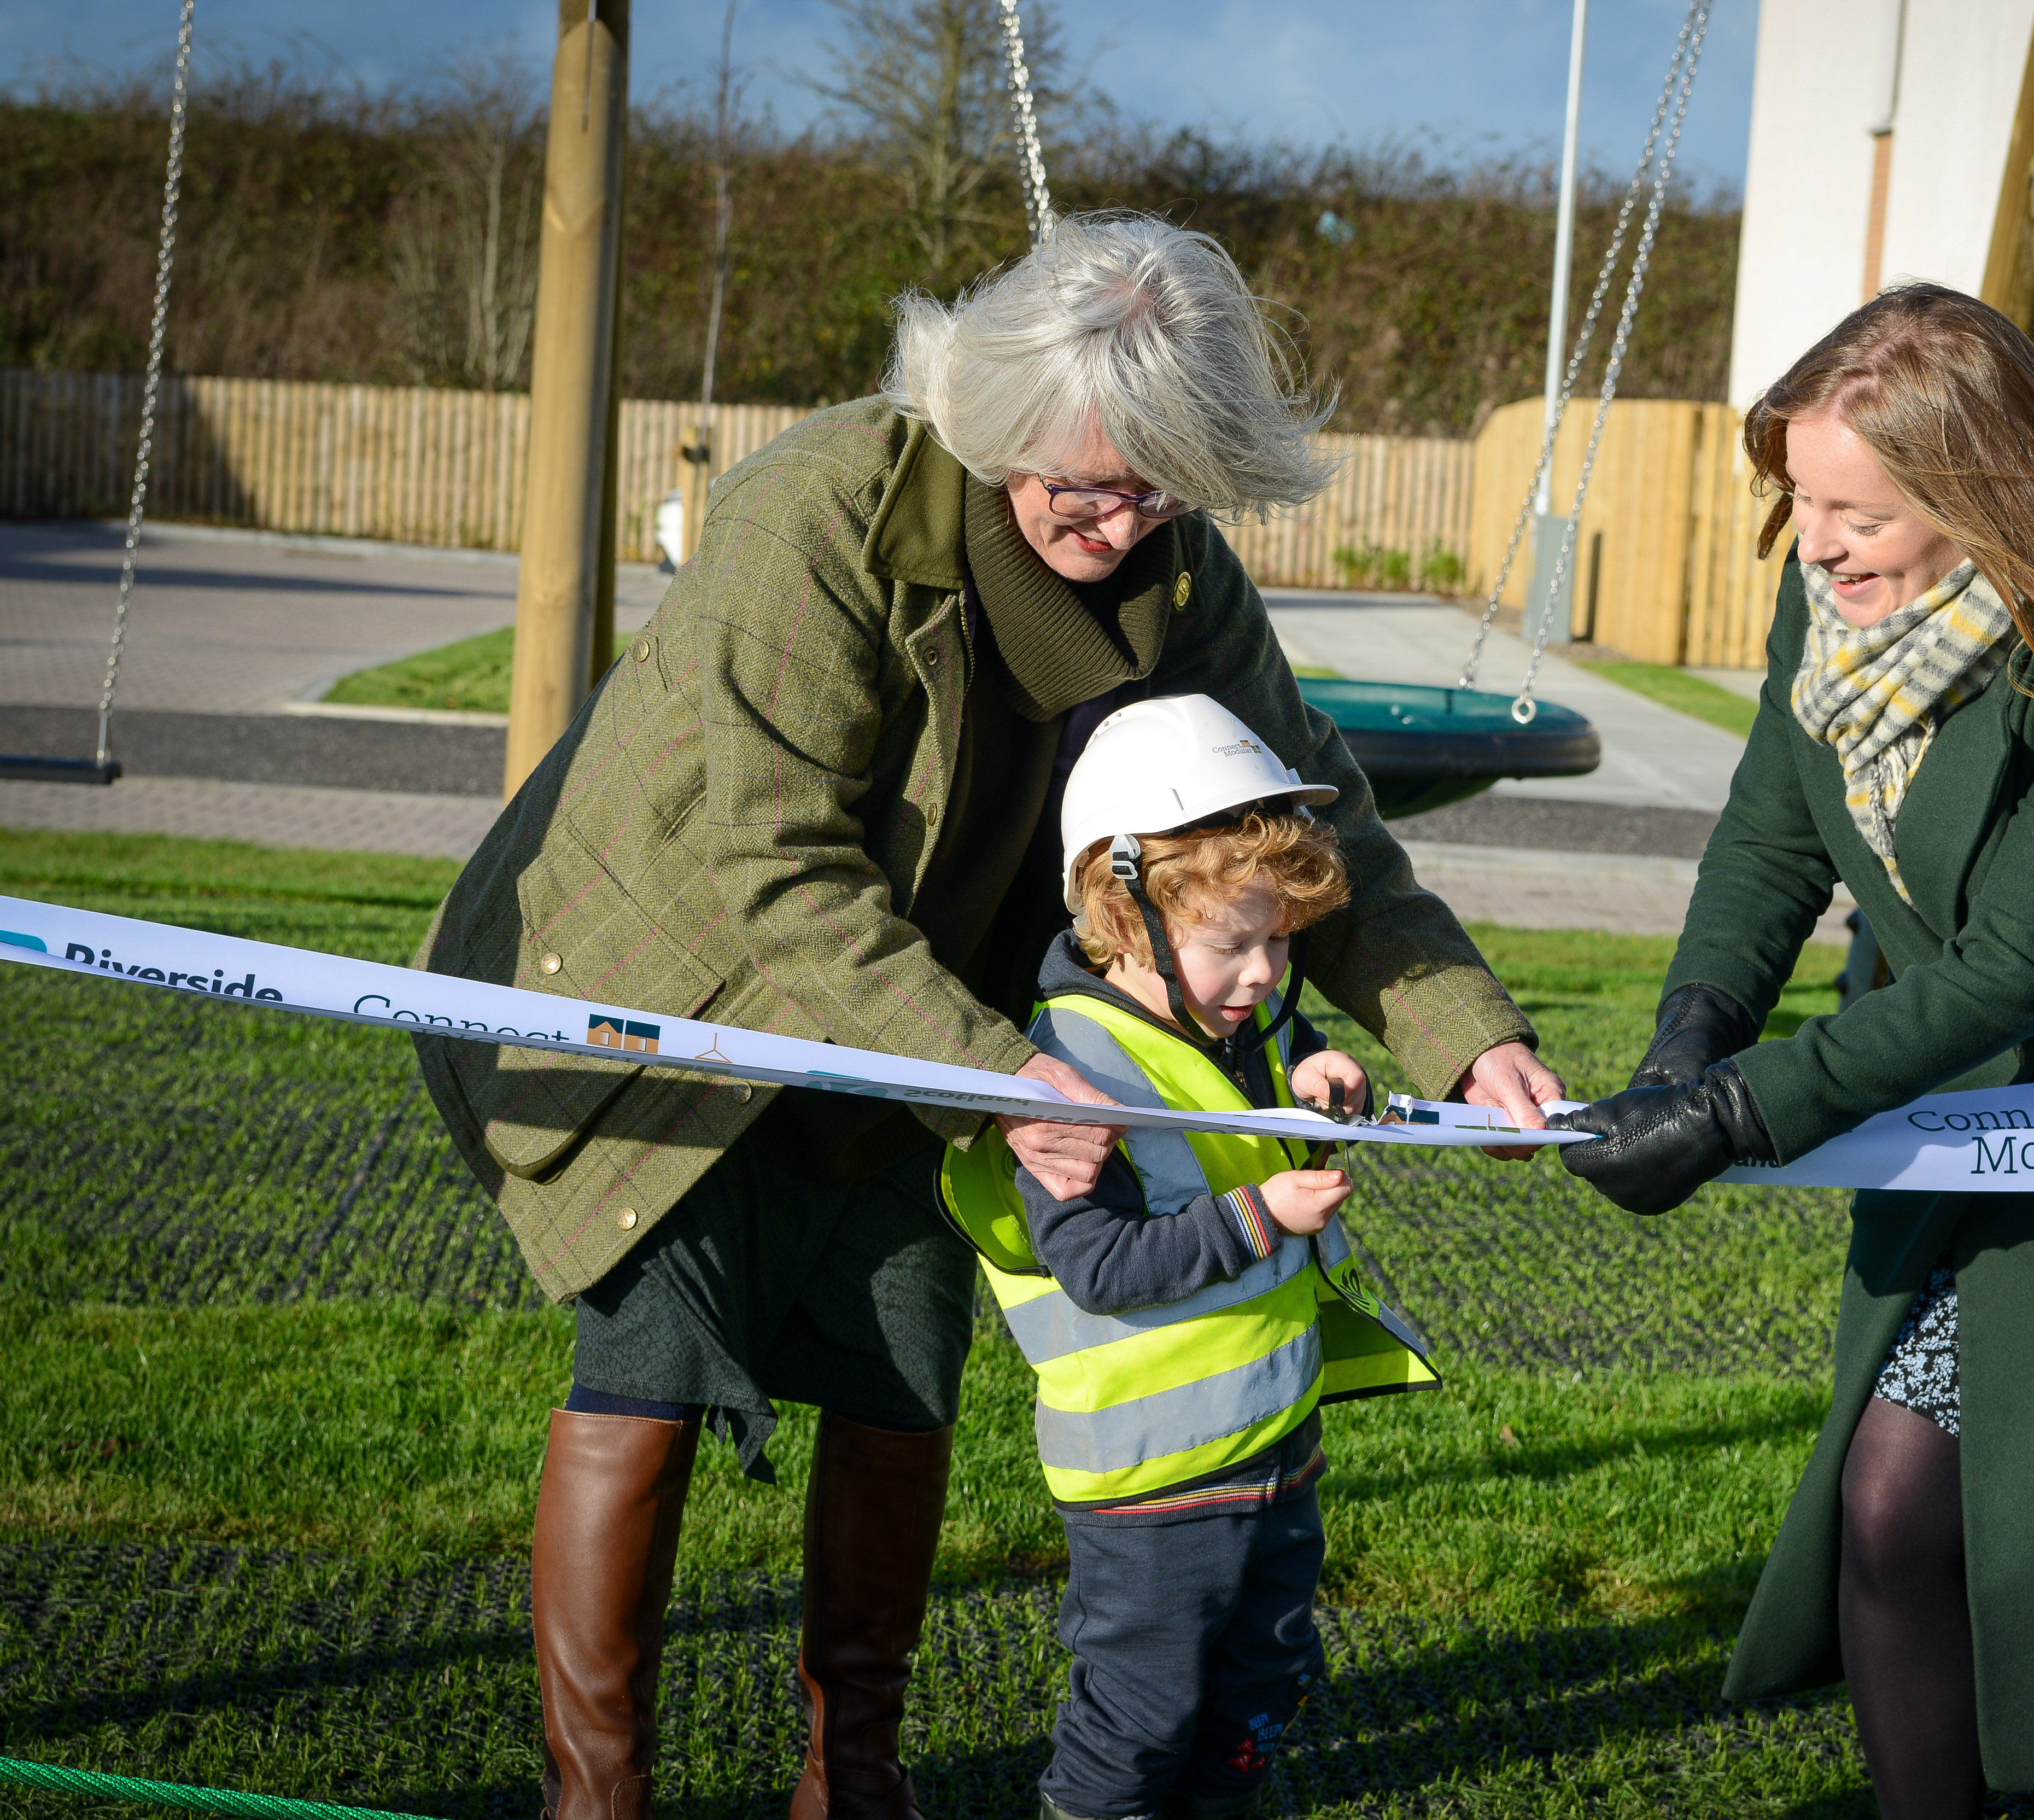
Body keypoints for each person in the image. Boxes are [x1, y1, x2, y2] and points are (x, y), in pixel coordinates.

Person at [410, 213, 1564, 1820]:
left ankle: (852, 1787)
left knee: (901, 1370)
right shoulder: (809, 510)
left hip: (943, 1011)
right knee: (649, 1367)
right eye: (1091, 473)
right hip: (671, 991)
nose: (1121, 514)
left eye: (1163, 478)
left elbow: (1324, 835)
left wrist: (1467, 1033)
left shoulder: (1182, 570)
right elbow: (766, 854)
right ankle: (597, 1799)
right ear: (1000, 408)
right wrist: (997, 1071)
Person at [1553, 283, 2034, 1818]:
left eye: (1855, 508)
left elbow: (2015, 971)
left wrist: (1735, 1111)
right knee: (1895, 1509)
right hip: (1971, 1122)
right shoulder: (1834, 597)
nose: (1818, 537)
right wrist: (1692, 1027)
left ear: (1976, 497)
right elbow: (1772, 835)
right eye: (1800, 498)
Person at [940, 694, 1433, 1820]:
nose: (1264, 973)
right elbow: (1103, 1268)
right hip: (1154, 1489)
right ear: (1125, 919)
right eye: (1237, 943)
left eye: (1282, 941)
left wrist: (1317, 1064)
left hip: (1274, 1448)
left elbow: (1251, 1063)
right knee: (1140, 1721)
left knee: (1262, 1690)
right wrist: (1264, 1213)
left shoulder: (1231, 1019)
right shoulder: (1068, 1082)